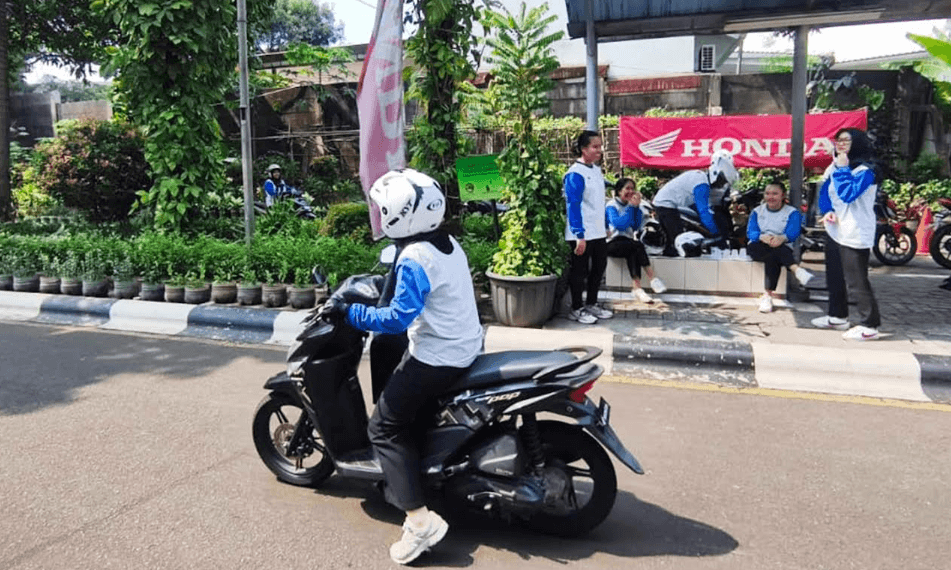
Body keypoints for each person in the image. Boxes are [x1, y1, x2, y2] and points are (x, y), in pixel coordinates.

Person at [328, 169, 484, 564]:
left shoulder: (415, 258)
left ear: (402, 215)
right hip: (466, 344)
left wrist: (350, 313)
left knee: (382, 427)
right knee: (398, 383)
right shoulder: (445, 242)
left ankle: (419, 521)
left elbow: (396, 319)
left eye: (384, 211)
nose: (381, 218)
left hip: (439, 356)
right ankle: (415, 473)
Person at [810, 128, 882, 340]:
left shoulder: (866, 171)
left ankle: (869, 324)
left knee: (856, 280)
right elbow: (825, 191)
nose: (840, 144)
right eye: (838, 140)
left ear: (857, 143)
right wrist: (828, 210)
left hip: (855, 231)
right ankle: (837, 316)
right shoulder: (834, 166)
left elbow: (847, 193)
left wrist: (842, 169)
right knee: (834, 276)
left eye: (846, 141)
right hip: (835, 229)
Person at [564, 130, 613, 324]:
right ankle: (576, 308)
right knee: (580, 271)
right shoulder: (575, 174)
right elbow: (573, 205)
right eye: (595, 147)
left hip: (598, 231)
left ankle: (591, 303)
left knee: (599, 268)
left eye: (600, 146)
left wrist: (605, 225)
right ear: (584, 149)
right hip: (582, 233)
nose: (599, 150)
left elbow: (600, 202)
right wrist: (579, 234)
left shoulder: (596, 170)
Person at [652, 150, 739, 256]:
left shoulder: (700, 179)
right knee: (679, 241)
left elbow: (698, 209)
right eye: (721, 181)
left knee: (675, 240)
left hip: (667, 203)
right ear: (716, 176)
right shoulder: (702, 184)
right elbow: (703, 212)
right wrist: (716, 233)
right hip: (666, 204)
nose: (721, 185)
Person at [746, 181, 814, 313]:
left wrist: (782, 238)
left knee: (773, 255)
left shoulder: (792, 212)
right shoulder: (757, 211)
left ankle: (767, 296)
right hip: (758, 244)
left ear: (783, 195)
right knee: (773, 251)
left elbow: (793, 232)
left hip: (781, 245)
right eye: (767, 193)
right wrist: (762, 237)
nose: (770, 197)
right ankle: (795, 269)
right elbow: (751, 232)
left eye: (775, 194)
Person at [606, 178, 668, 303]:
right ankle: (652, 278)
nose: (630, 192)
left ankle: (637, 288)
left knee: (633, 250)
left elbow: (635, 227)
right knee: (636, 246)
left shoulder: (633, 207)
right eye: (627, 188)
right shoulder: (611, 206)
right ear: (619, 191)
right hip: (610, 242)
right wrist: (631, 207)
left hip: (627, 243)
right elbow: (620, 225)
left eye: (632, 189)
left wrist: (636, 209)